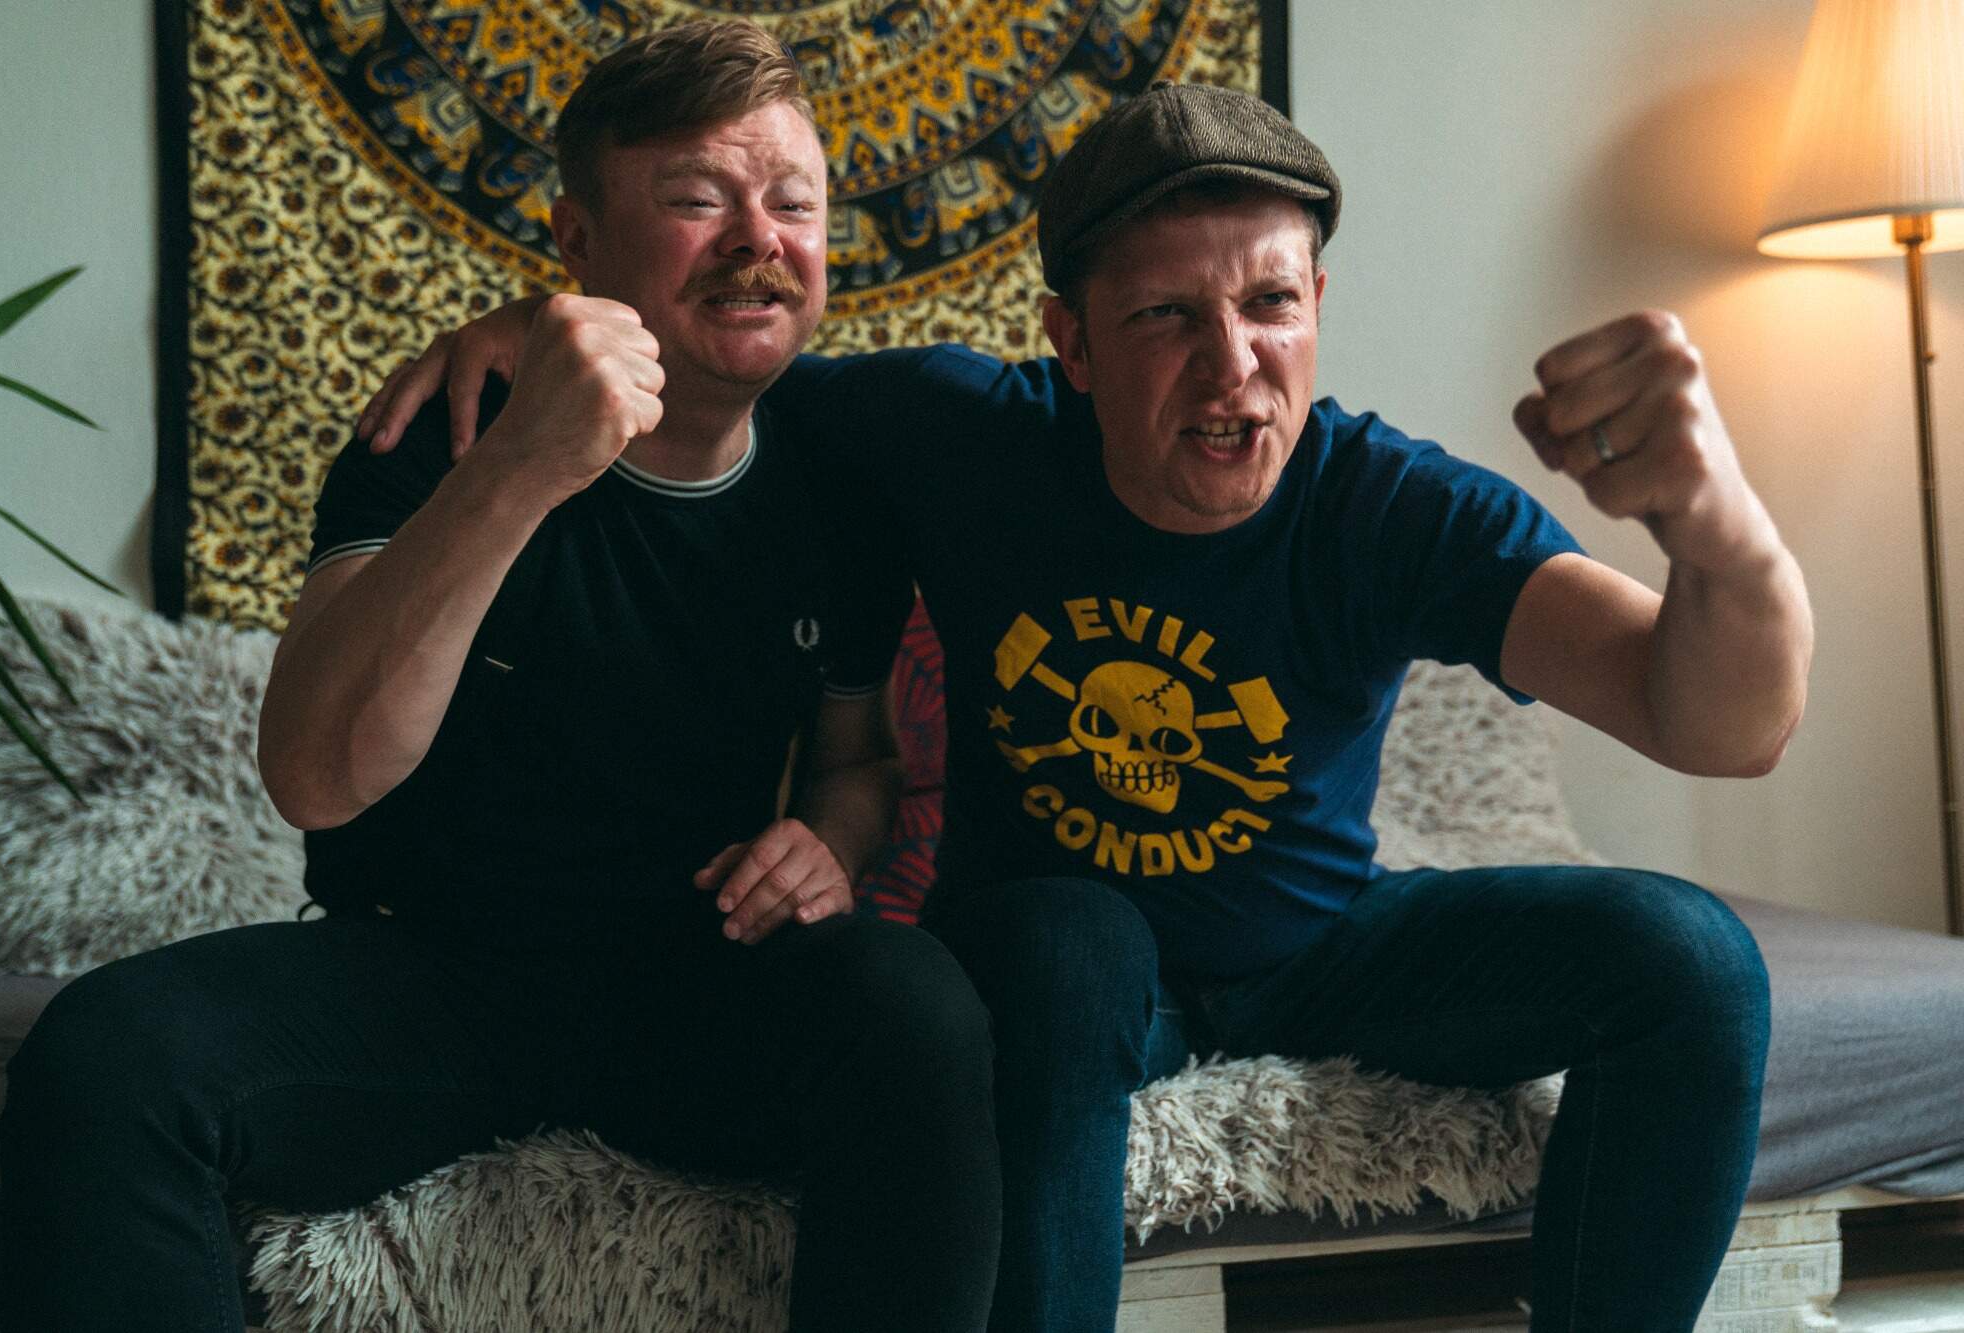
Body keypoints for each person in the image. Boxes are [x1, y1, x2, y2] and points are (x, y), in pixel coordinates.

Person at [364, 83, 1813, 1332]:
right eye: (1167, 317)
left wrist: (1716, 523)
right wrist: (546, 323)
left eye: (1270, 304)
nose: (1233, 364)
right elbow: (714, 354)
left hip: (1312, 949)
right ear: (1071, 341)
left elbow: (1718, 723)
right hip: (1050, 958)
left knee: (1690, 958)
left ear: (1317, 307)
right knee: (1072, 934)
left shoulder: (1388, 507)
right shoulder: (958, 435)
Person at [0, 23, 1003, 1332]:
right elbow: (313, 775)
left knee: (920, 1009)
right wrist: (527, 463)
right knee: (107, 1055)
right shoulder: (446, 429)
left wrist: (829, 838)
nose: (760, 239)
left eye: (794, 203)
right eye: (699, 200)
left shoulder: (841, 468)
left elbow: (858, 757)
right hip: (428, 976)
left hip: (699, 978)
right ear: (577, 241)